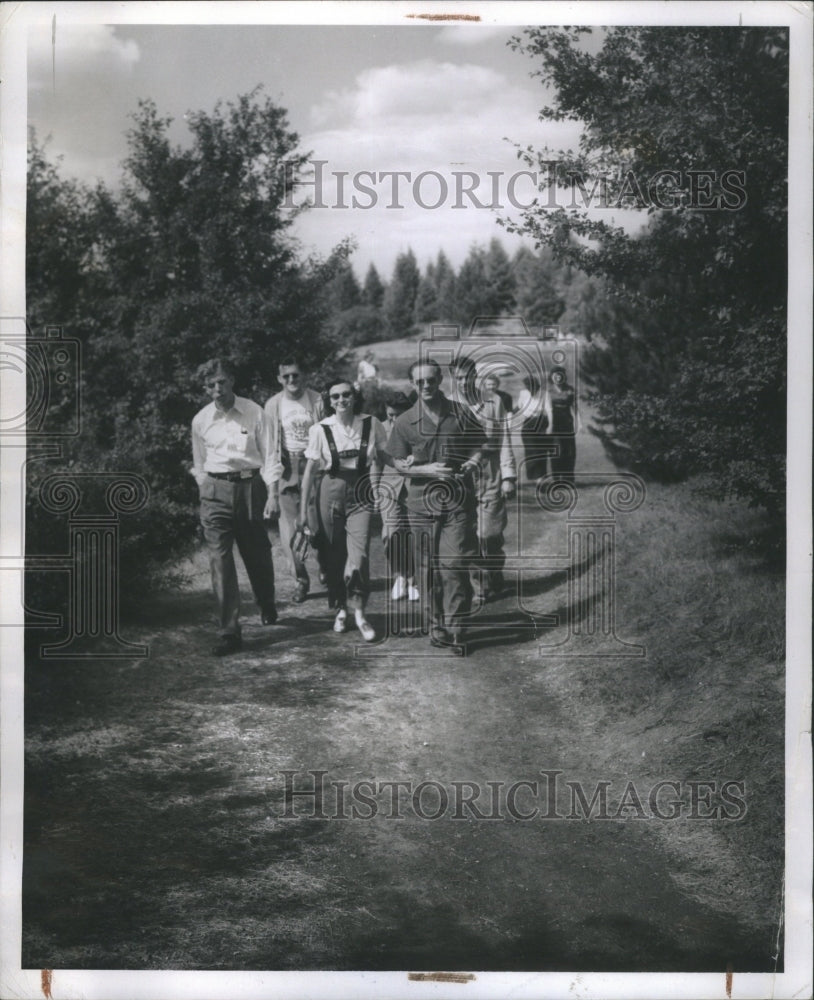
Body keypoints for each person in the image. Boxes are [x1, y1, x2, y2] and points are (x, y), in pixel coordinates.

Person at [387, 359, 485, 649]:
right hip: (420, 504)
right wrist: (425, 470)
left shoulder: (460, 412)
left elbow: (479, 444)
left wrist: (472, 462)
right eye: (419, 382)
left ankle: (458, 628)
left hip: (458, 500)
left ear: (439, 379)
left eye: (431, 380)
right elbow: (397, 463)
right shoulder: (405, 421)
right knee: (427, 567)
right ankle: (436, 626)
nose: (426, 386)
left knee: (454, 564)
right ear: (412, 385)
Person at [191, 358, 278, 656]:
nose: (217, 389)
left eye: (222, 382)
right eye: (210, 385)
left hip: (250, 487)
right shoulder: (201, 420)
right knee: (219, 559)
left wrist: (273, 493)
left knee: (257, 553)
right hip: (215, 491)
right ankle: (229, 631)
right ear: (205, 388)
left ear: (232, 382)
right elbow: (199, 462)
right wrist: (205, 485)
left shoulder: (255, 412)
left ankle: (267, 601)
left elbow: (270, 456)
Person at [297, 378, 386, 642]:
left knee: (359, 557)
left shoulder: (372, 423)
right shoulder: (320, 429)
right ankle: (340, 609)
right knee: (333, 554)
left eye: (346, 395)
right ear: (329, 401)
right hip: (330, 490)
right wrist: (303, 512)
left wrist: (376, 488)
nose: (341, 401)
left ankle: (360, 613)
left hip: (360, 491)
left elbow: (378, 461)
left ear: (354, 396)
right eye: (335, 397)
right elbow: (308, 475)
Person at [453, 357, 517, 603]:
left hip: (490, 472)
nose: (462, 382)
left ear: (474, 375)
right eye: (457, 378)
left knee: (489, 534)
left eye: (465, 376)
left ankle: (493, 571)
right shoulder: (448, 406)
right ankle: (479, 585)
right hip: (461, 476)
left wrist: (508, 476)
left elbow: (504, 440)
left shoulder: (494, 402)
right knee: (468, 534)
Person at [264, 358, 326, 604]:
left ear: (304, 376)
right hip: (287, 466)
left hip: (314, 465)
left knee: (317, 524)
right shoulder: (273, 405)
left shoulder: (317, 399)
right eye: (286, 376)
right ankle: (300, 581)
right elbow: (269, 445)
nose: (291, 380)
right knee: (291, 531)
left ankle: (326, 566)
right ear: (280, 379)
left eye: (296, 375)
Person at [381, 391, 419, 603]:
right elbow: (376, 462)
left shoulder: (417, 427)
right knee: (390, 535)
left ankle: (413, 579)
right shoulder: (380, 428)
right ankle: (400, 575)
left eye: (397, 415)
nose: (393, 420)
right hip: (388, 489)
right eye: (390, 415)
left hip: (414, 488)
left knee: (414, 535)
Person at [544, 365, 577, 479]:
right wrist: (549, 425)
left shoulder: (570, 389)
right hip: (554, 423)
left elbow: (575, 407)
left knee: (569, 451)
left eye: (560, 375)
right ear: (551, 377)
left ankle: (568, 478)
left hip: (567, 422)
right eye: (555, 375)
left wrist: (579, 422)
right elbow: (546, 409)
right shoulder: (548, 391)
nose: (558, 378)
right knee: (556, 450)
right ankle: (556, 478)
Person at [517, 372, 549, 482]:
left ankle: (541, 478)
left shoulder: (544, 393)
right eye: (529, 387)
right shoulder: (523, 393)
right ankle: (534, 476)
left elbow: (549, 411)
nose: (532, 390)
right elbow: (520, 406)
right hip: (528, 423)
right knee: (531, 450)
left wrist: (550, 426)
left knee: (541, 450)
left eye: (534, 387)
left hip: (541, 422)